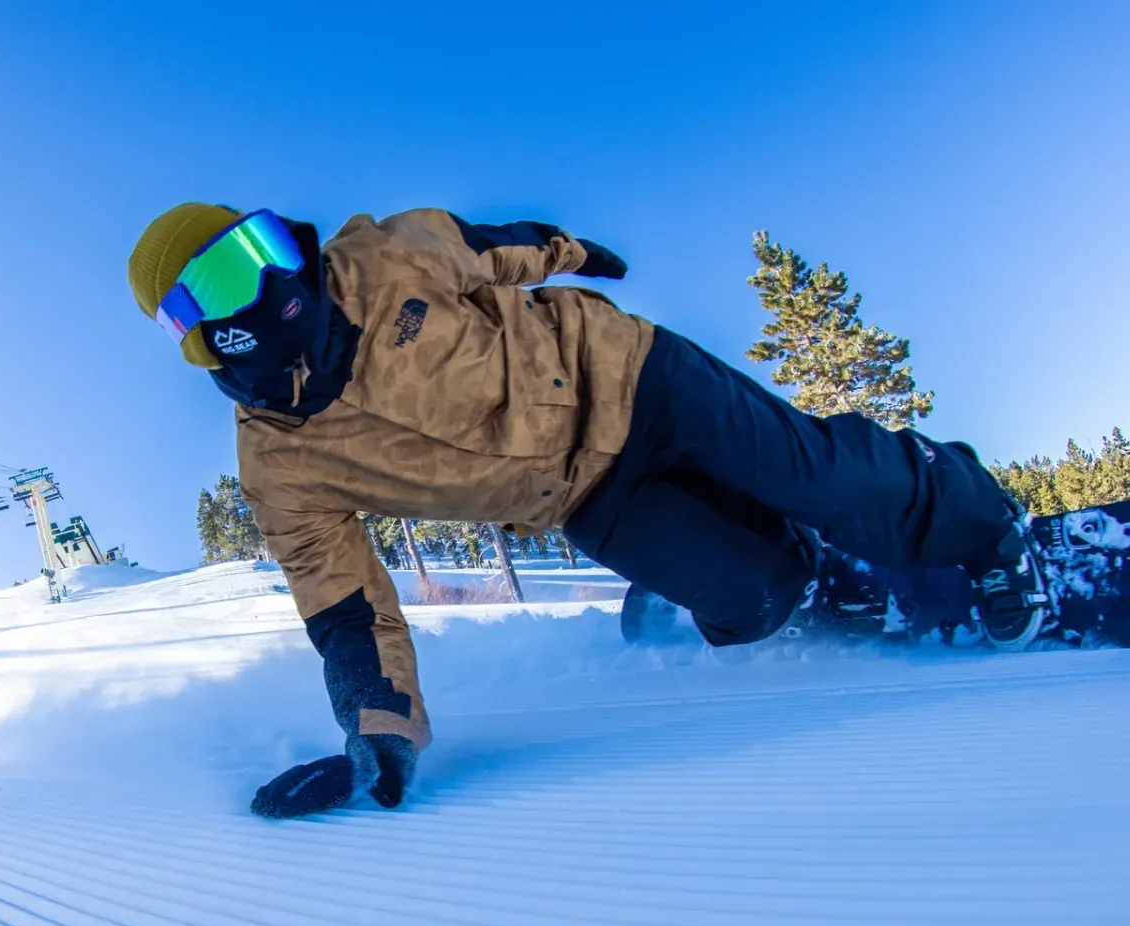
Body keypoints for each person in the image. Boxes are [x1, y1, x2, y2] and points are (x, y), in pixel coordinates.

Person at [127, 205, 1048, 818]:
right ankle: (808, 577)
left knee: (821, 477)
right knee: (754, 599)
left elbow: (497, 245)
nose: (272, 277)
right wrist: (379, 730)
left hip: (632, 376)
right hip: (576, 493)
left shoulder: (380, 257)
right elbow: (346, 610)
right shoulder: (281, 466)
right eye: (226, 278)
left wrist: (571, 250)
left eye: (264, 246)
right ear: (200, 338)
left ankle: (982, 521)